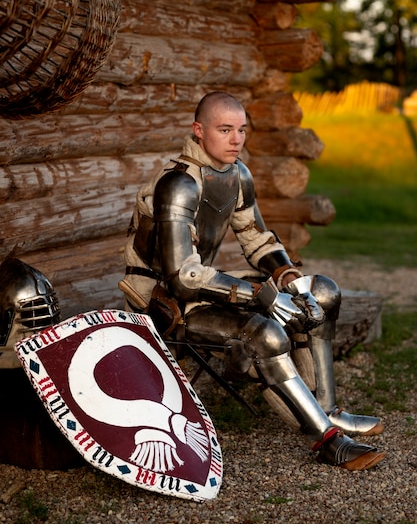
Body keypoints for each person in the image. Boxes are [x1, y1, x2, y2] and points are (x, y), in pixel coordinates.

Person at [121, 91, 385, 471]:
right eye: (224, 129)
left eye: (241, 130)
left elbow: (256, 239)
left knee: (321, 292)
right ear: (198, 131)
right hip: (162, 301)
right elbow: (180, 276)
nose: (236, 139)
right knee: (265, 333)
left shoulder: (238, 175)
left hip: (200, 285)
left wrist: (289, 278)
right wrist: (261, 297)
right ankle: (327, 441)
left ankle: (327, 409)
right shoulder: (178, 184)